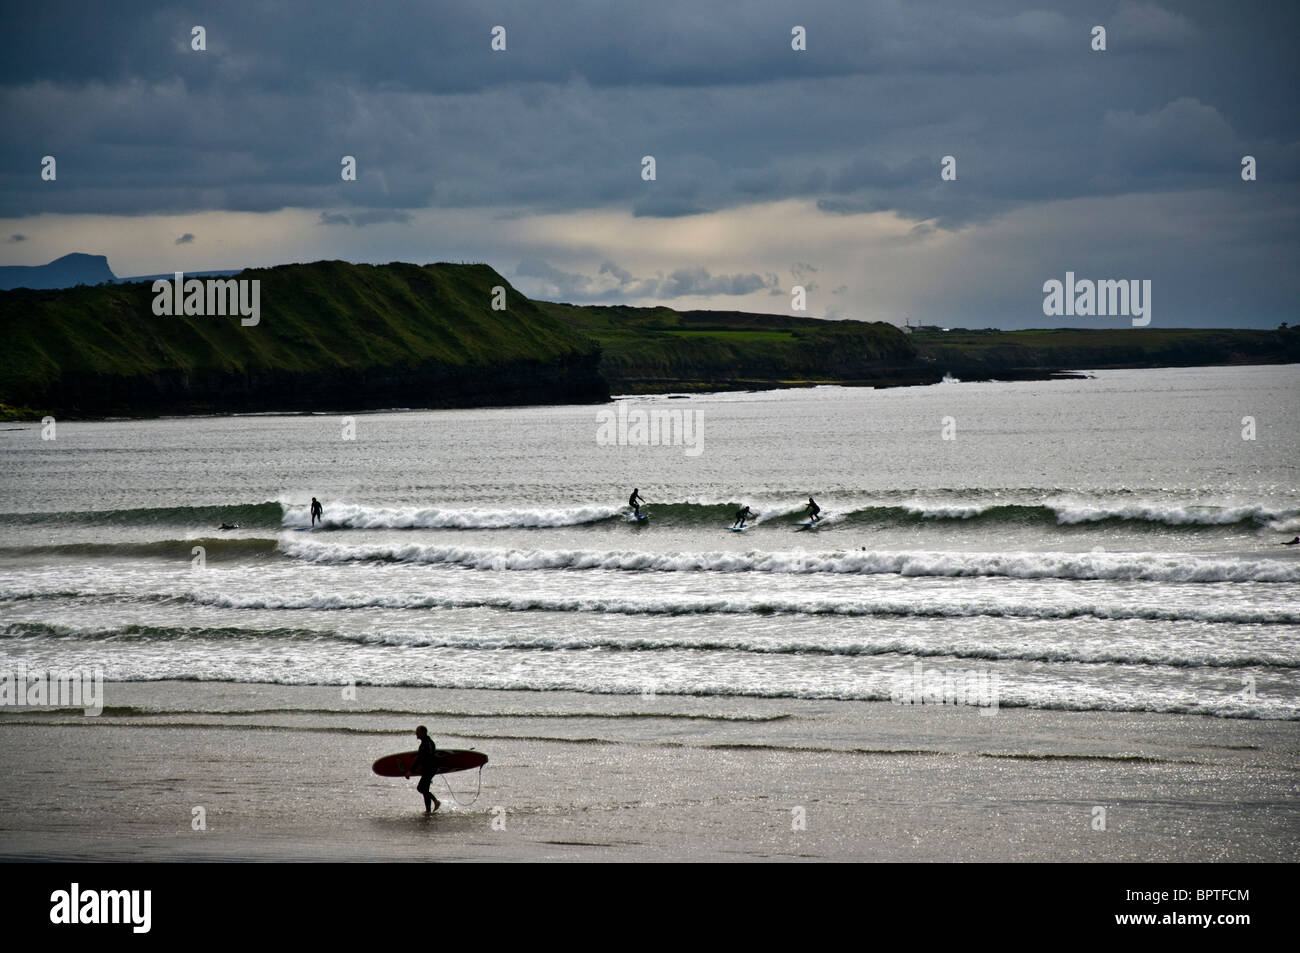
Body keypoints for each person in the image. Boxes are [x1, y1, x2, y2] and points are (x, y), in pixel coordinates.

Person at [408, 725, 440, 814]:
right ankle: (428, 810)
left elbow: (422, 758)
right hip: (428, 768)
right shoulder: (426, 742)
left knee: (421, 788)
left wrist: (411, 771)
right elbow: (423, 756)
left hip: (430, 769)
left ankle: (435, 802)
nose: (416, 734)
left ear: (422, 733)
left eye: (417, 732)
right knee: (424, 789)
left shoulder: (427, 743)